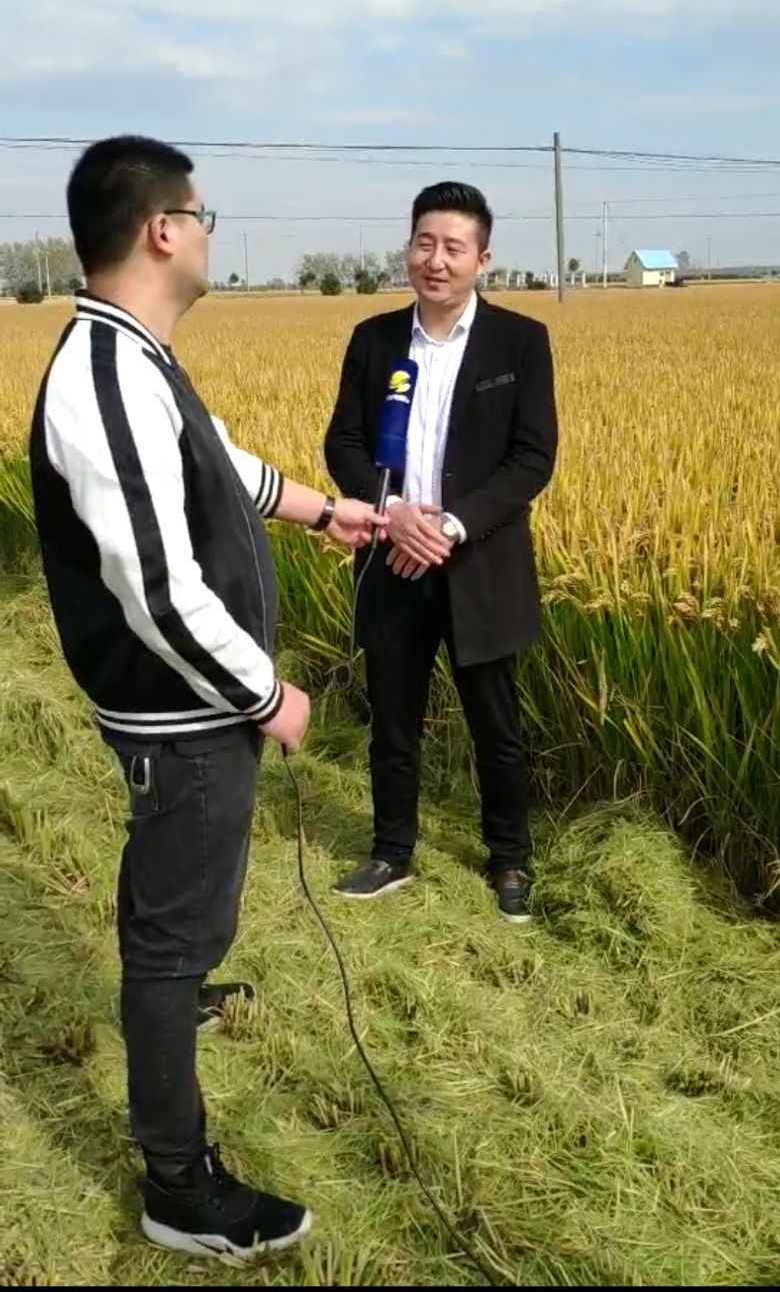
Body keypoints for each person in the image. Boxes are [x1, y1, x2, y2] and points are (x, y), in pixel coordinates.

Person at [28, 135, 385, 1261]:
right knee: (171, 935)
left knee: (178, 903)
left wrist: (322, 511)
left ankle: (175, 993)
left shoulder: (138, 359)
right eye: (204, 214)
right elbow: (157, 588)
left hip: (191, 710)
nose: (210, 233)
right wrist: (267, 692)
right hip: (182, 713)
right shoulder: (101, 377)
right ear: (163, 230)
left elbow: (215, 464)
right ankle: (179, 1189)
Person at [324, 182, 558, 923]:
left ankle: (509, 859)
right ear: (408, 249)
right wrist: (393, 513)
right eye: (425, 242)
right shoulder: (374, 339)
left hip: (477, 565)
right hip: (393, 559)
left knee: (497, 726)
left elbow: (532, 457)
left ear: (482, 259)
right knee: (392, 720)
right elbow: (344, 443)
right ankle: (391, 851)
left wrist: (451, 526)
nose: (436, 259)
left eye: (454, 247)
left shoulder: (519, 342)